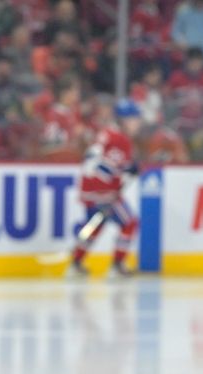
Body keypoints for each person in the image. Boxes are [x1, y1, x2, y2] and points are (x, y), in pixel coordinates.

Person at [66, 98, 143, 278]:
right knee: (129, 222)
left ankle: (76, 263)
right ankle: (117, 265)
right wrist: (128, 169)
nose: (137, 123)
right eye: (134, 119)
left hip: (89, 190)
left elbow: (96, 163)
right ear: (124, 120)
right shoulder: (120, 139)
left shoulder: (107, 133)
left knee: (95, 226)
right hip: (102, 192)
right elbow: (107, 169)